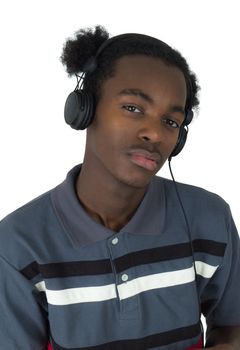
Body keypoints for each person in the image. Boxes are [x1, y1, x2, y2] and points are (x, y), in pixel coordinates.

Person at [0, 25, 239, 350]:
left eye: (170, 122)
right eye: (133, 108)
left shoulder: (210, 219)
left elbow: (232, 327)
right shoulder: (18, 245)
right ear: (84, 109)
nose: (154, 134)